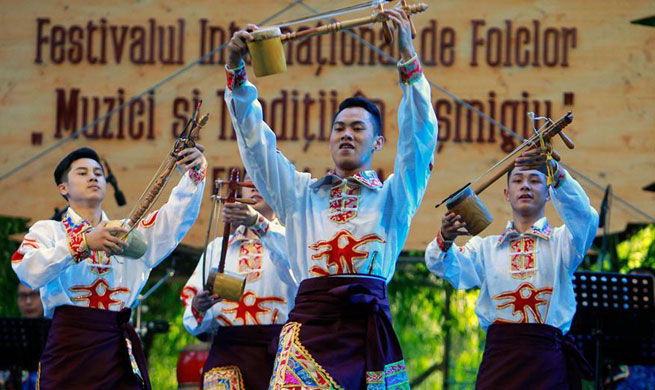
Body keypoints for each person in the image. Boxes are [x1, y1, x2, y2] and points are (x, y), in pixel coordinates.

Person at [223, 6, 438, 389]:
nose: (346, 134)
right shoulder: (300, 194)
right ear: (329, 139)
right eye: (339, 127)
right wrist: (237, 75)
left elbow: (419, 139)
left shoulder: (394, 197)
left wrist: (407, 55)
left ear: (377, 142)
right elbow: (257, 147)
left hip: (368, 332)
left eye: (358, 128)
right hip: (310, 332)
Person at [11, 146, 206, 390]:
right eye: (82, 173)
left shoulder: (129, 233)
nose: (93, 177)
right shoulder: (50, 232)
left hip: (116, 349)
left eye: (98, 173)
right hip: (69, 347)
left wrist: (193, 172)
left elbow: (175, 219)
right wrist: (83, 243)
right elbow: (27, 269)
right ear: (63, 188)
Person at [425, 146, 598, 390]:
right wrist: (446, 237)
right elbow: (442, 265)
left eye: (535, 180)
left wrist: (556, 171)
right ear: (507, 193)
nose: (525, 186)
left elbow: (586, 219)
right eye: (517, 180)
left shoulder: (563, 242)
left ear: (549, 193)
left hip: (546, 360)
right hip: (500, 359)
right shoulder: (485, 247)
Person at [181, 178, 297, 390]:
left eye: (261, 177)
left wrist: (259, 224)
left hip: (282, 354)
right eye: (247, 180)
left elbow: (298, 275)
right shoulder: (218, 248)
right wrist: (199, 305)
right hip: (228, 352)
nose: (254, 185)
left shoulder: (293, 239)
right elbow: (192, 310)